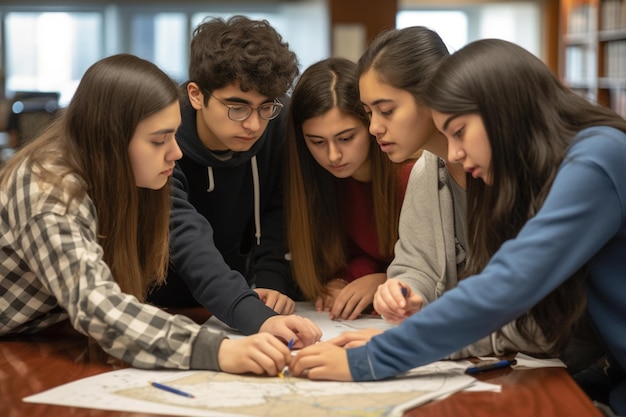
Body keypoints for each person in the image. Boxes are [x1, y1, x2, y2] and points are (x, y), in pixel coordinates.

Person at [289, 38, 626, 415]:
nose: (453, 154)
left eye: (460, 131)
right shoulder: (560, 161)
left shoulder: (597, 157)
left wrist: (370, 359)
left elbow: (508, 285)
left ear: (504, 111)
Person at [0, 53, 305, 375]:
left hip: (46, 335)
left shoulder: (122, 172)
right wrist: (220, 350)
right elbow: (98, 305)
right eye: (159, 140)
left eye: (174, 134)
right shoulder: (48, 191)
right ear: (110, 140)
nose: (176, 151)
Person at [355, 26, 553, 358]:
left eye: (386, 110)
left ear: (431, 95)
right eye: (368, 113)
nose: (374, 126)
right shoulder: (427, 170)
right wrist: (404, 291)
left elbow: (537, 314)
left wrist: (428, 339)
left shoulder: (515, 170)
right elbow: (417, 265)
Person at [147, 15, 322, 346]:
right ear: (197, 95)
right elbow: (184, 236)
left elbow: (277, 207)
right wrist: (255, 316)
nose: (254, 125)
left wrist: (271, 282)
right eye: (237, 107)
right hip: (168, 304)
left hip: (245, 296)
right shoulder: (165, 142)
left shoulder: (276, 123)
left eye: (265, 107)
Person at [284, 57, 414, 321]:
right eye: (317, 141)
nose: (333, 155)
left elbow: (436, 269)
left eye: (345, 138)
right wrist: (342, 281)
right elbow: (356, 253)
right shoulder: (322, 180)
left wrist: (385, 279)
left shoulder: (411, 175)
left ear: (370, 125)